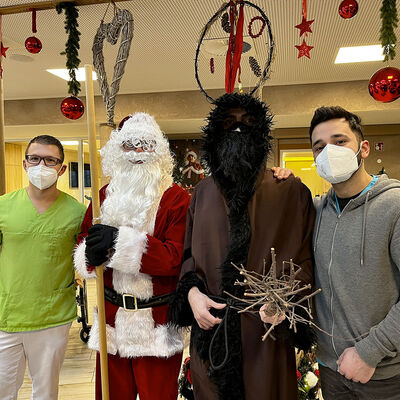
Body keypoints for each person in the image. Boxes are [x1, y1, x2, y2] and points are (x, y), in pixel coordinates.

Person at [169, 93, 316, 400]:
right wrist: (192, 295)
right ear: (215, 133)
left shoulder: (290, 191)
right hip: (212, 334)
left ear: (261, 133)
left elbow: (305, 260)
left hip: (267, 335)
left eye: (248, 122)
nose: (238, 128)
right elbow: (188, 258)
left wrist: (285, 303)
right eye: (228, 122)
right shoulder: (202, 193)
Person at [274, 106, 400, 399]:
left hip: (383, 373)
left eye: (340, 141)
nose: (329, 152)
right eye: (319, 147)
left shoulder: (394, 206)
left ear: (363, 148)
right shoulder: (318, 211)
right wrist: (285, 184)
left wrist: (370, 352)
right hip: (331, 369)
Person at [74, 112, 190, 400]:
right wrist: (89, 253)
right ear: (119, 150)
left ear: (158, 151)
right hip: (111, 324)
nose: (138, 152)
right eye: (130, 145)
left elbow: (174, 258)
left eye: (145, 145)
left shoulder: (176, 198)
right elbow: (84, 241)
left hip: (157, 326)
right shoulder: (103, 195)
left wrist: (117, 243)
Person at [0, 135, 86, 400]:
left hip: (52, 317)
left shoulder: (77, 213)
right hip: (7, 315)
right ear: (24, 164)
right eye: (35, 158)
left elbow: (86, 262)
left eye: (50, 160)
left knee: (45, 393)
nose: (41, 166)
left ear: (62, 169)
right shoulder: (3, 207)